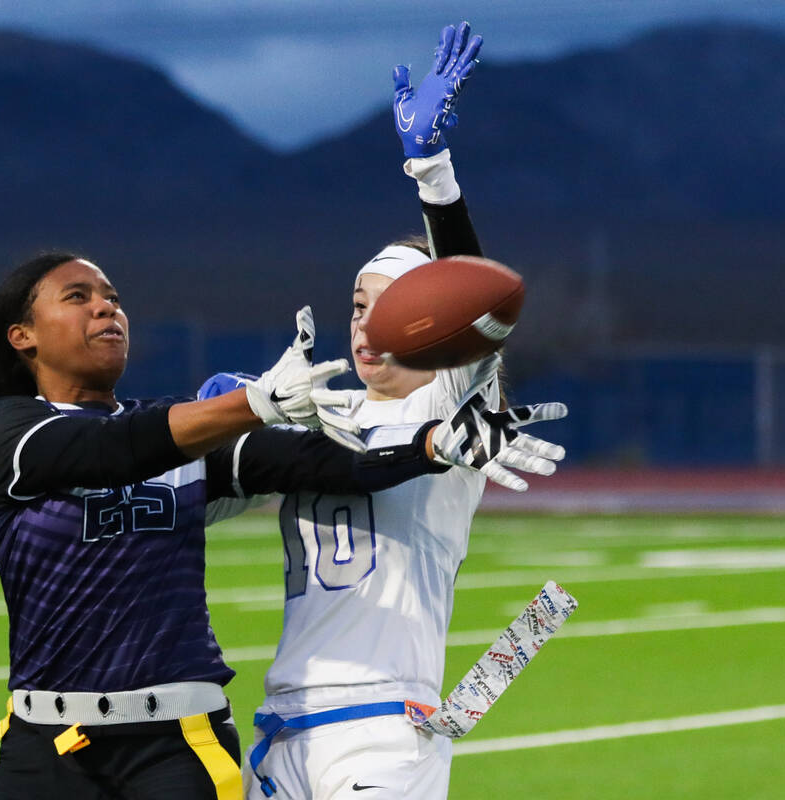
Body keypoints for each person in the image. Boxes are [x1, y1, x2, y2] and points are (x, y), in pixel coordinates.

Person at [0, 249, 550, 799]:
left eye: (112, 296)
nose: (105, 306)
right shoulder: (9, 430)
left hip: (175, 745)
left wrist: (432, 445)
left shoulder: (185, 435)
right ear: (23, 336)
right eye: (78, 296)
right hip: (45, 740)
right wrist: (250, 405)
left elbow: (322, 460)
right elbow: (110, 450)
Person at [240, 22, 568, 800]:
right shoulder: (315, 413)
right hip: (281, 727)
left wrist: (433, 175)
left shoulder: (452, 407)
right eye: (360, 306)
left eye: (395, 311)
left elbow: (474, 293)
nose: (368, 325)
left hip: (385, 729)